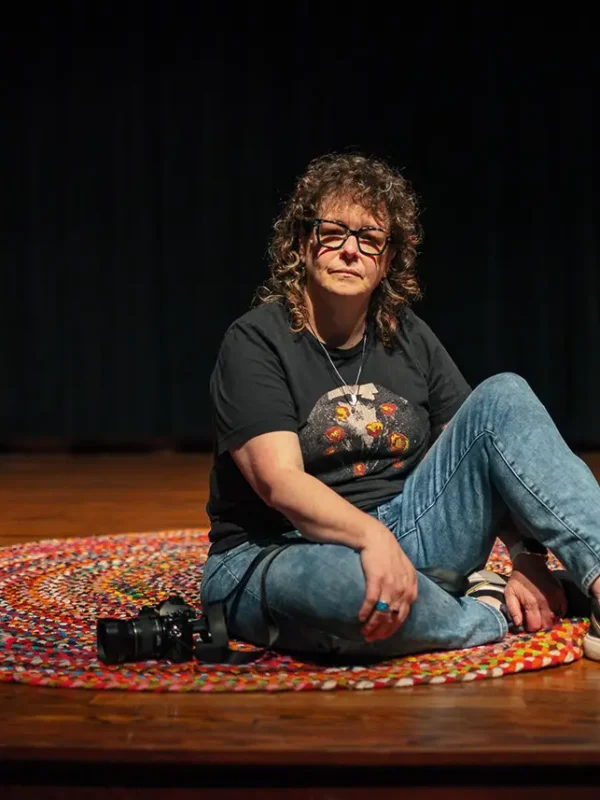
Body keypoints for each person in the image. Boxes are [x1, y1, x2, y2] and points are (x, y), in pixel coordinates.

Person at [201, 152, 600, 662]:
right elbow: (280, 484)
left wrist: (527, 558)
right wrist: (370, 539)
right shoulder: (256, 340)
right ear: (301, 244)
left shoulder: (407, 334)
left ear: (387, 260)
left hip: (406, 529)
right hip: (281, 550)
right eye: (333, 233)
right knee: (349, 588)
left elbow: (489, 452)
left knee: (504, 394)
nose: (351, 251)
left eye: (369, 239)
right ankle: (488, 612)